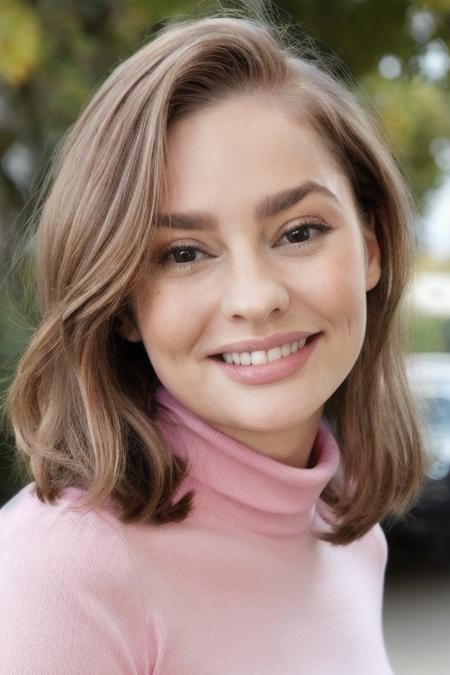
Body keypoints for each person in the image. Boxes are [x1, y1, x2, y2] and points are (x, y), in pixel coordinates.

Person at [0, 9, 427, 675]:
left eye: (298, 231)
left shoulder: (349, 536)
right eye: (185, 253)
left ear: (370, 247)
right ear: (122, 305)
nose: (256, 297)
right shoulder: (60, 575)